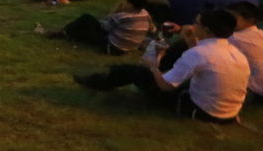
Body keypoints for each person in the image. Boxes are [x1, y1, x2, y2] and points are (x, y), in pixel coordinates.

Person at [73, 9, 249, 123]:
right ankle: (103, 78)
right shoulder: (235, 53)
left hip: (201, 110)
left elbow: (165, 86)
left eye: (197, 23)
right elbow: (206, 62)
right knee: (176, 66)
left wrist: (153, 67)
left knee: (137, 72)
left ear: (207, 30)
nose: (193, 26)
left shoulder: (200, 53)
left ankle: (97, 82)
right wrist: (189, 42)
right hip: (228, 113)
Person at [45, 0, 153, 54]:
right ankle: (66, 33)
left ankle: (62, 33)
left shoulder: (122, 16)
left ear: (131, 4)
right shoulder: (145, 13)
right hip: (130, 46)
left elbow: (105, 27)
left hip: (112, 47)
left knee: (86, 19)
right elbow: (153, 28)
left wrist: (114, 12)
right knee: (83, 28)